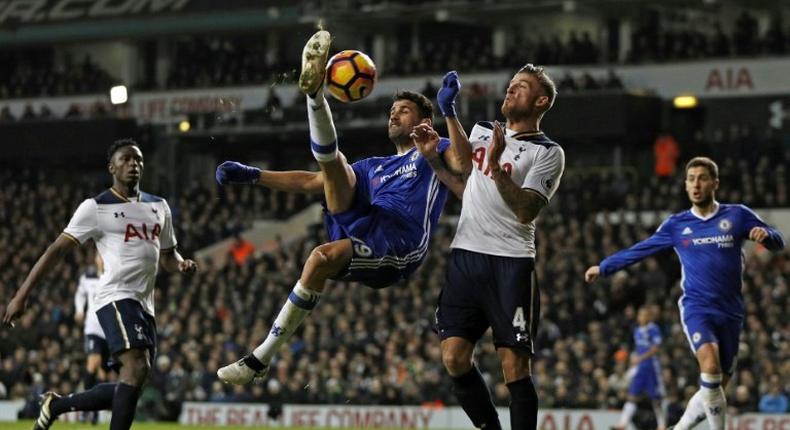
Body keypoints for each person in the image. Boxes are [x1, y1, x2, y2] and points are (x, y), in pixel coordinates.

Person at [213, 29, 466, 385]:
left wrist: (449, 113)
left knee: (319, 257)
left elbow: (463, 163)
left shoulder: (434, 148)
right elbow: (311, 181)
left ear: (423, 121)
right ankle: (315, 96)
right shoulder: (375, 165)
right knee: (338, 166)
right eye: (392, 111)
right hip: (366, 226)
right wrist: (254, 175)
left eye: (403, 111)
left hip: (400, 243)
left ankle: (259, 359)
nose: (393, 116)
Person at [2, 138, 197, 430]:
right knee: (136, 368)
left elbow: (167, 255)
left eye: (138, 159)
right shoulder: (95, 207)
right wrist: (22, 295)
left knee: (132, 386)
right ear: (112, 167)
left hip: (145, 304)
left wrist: (181, 264)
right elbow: (55, 250)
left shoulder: (160, 206)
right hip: (115, 297)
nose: (134, 164)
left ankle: (56, 405)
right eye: (126, 159)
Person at [585, 157, 785, 430]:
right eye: (690, 179)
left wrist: (767, 236)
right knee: (710, 367)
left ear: (715, 183)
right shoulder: (677, 225)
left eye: (702, 178)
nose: (695, 184)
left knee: (715, 386)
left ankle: (678, 428)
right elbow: (642, 249)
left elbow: (777, 239)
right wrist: (605, 267)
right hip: (697, 307)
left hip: (731, 311)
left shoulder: (736, 215)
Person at [430, 66, 565, 430]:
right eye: (510, 85)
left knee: (514, 367)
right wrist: (450, 114)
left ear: (541, 101)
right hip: (465, 256)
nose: (510, 90)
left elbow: (525, 211)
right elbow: (461, 168)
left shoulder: (548, 153)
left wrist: (497, 166)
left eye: (520, 87)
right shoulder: (484, 132)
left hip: (510, 262)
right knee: (454, 358)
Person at [613, 306, 666, 430]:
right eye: (639, 315)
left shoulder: (653, 328)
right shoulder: (637, 331)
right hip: (640, 368)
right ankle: (622, 424)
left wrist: (641, 358)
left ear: (648, 316)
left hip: (651, 367)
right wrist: (635, 358)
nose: (640, 318)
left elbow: (656, 347)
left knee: (656, 398)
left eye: (643, 315)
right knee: (632, 395)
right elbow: (638, 349)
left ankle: (662, 425)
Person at [74, 253, 108, 425]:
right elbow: (79, 295)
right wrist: (79, 310)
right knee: (93, 363)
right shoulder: (87, 277)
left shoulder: (112, 276)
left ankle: (93, 412)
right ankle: (86, 409)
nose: (100, 258)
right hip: (92, 328)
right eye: (98, 256)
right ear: (95, 259)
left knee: (102, 371)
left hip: (109, 331)